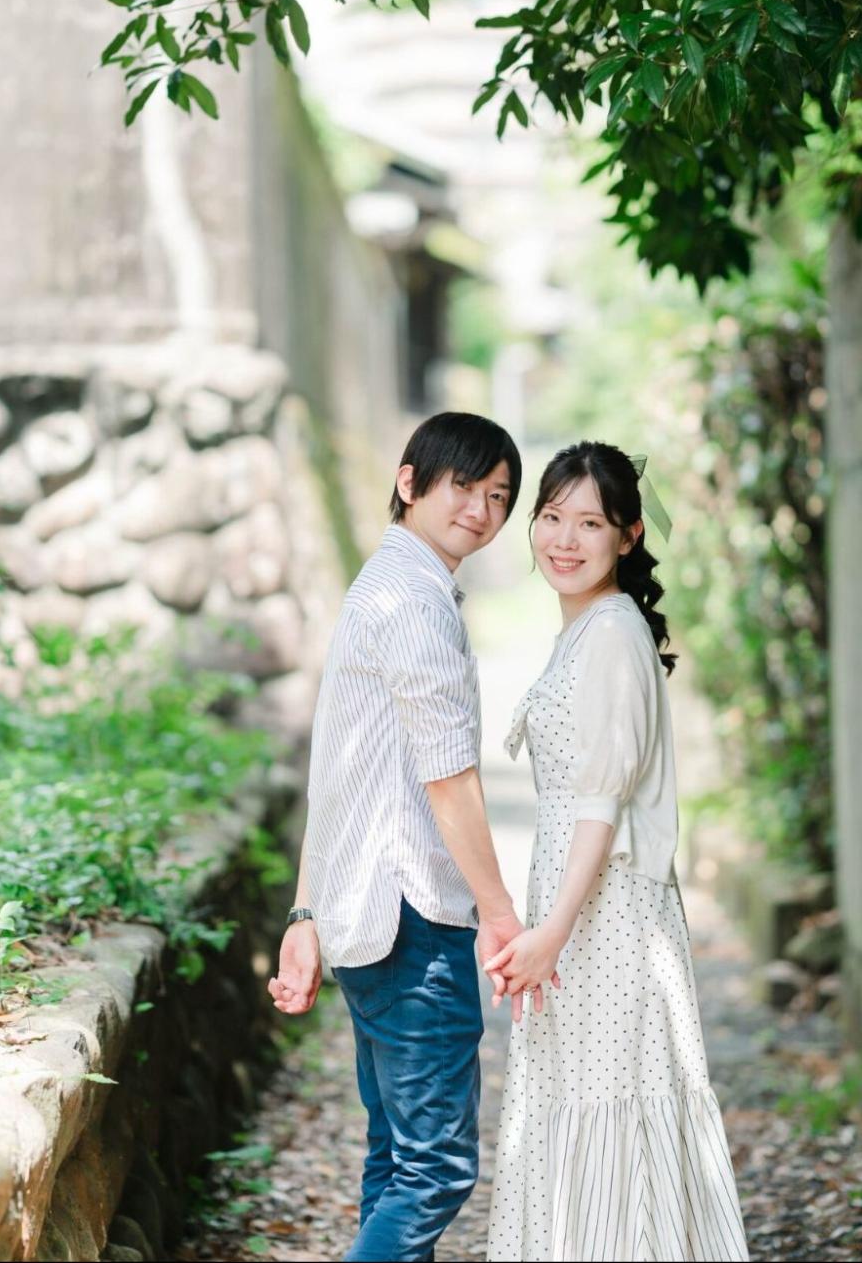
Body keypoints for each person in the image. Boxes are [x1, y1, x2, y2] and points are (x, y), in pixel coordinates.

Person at [266, 411, 555, 1263]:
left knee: (395, 1158)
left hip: (368, 916)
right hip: (411, 920)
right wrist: (498, 914)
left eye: (498, 496)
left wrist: (304, 913)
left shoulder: (379, 585)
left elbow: (339, 772)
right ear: (409, 481)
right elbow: (447, 777)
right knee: (436, 1171)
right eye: (463, 486)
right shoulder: (414, 603)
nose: (480, 510)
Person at [482, 442, 749, 1262]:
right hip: (583, 906)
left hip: (606, 916)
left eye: (590, 523)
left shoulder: (611, 634)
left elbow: (600, 804)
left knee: (612, 1110)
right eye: (550, 517)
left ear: (628, 535)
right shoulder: (588, 629)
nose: (564, 540)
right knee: (587, 1104)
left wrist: (552, 933)